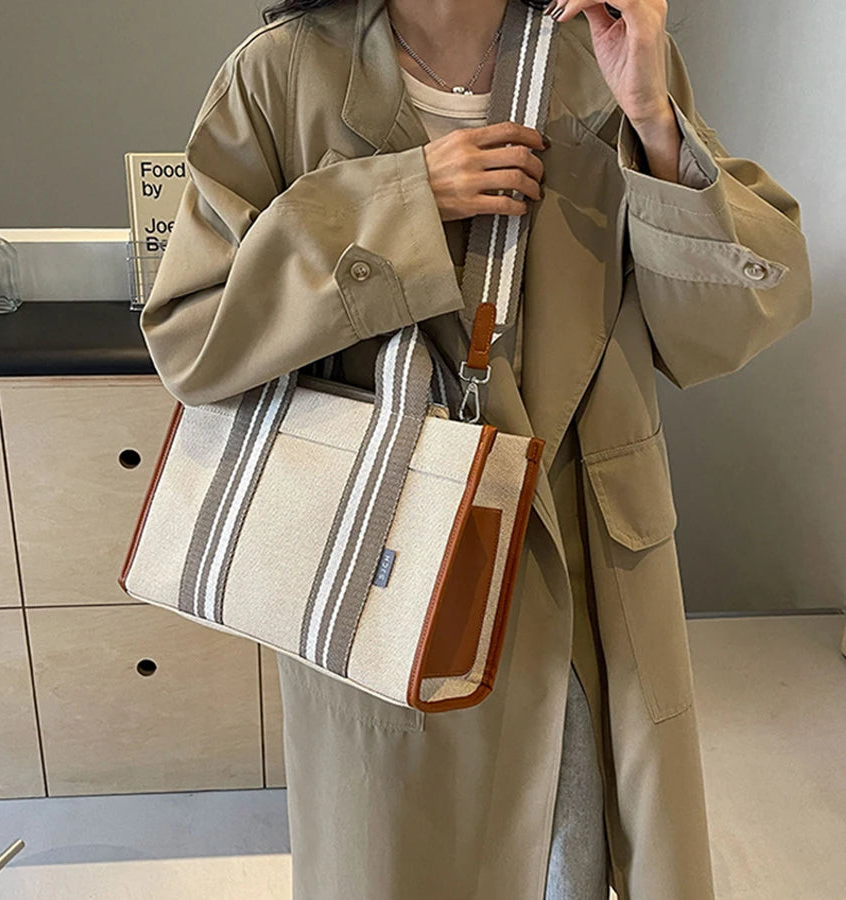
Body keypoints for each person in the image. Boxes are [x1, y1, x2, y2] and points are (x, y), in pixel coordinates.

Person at [138, 0, 813, 897]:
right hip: (386, 562)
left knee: (577, 854)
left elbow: (723, 325)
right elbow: (193, 334)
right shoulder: (282, 72)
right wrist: (400, 202)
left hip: (584, 563)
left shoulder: (597, 53)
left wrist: (654, 122)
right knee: (403, 854)